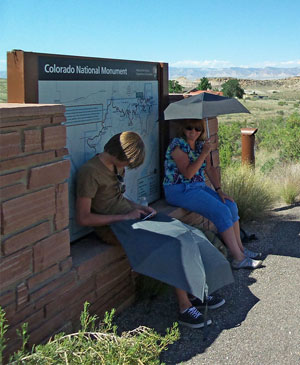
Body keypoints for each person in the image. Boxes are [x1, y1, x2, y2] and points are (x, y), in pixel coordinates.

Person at [76, 131, 227, 329]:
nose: (126, 169)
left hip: (130, 216)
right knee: (172, 243)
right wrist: (125, 216)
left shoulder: (115, 166)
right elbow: (83, 217)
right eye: (126, 164)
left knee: (184, 232)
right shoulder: (90, 172)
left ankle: (195, 291)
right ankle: (184, 307)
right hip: (113, 226)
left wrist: (138, 207)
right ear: (118, 155)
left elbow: (117, 198)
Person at [163, 119, 263, 270]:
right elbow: (188, 173)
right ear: (183, 129)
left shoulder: (200, 145)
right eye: (190, 128)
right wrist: (203, 153)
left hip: (198, 187)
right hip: (180, 189)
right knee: (221, 212)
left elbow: (209, 169)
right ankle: (238, 258)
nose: (193, 132)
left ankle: (241, 249)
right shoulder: (178, 146)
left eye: (197, 129)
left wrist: (219, 190)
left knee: (230, 205)